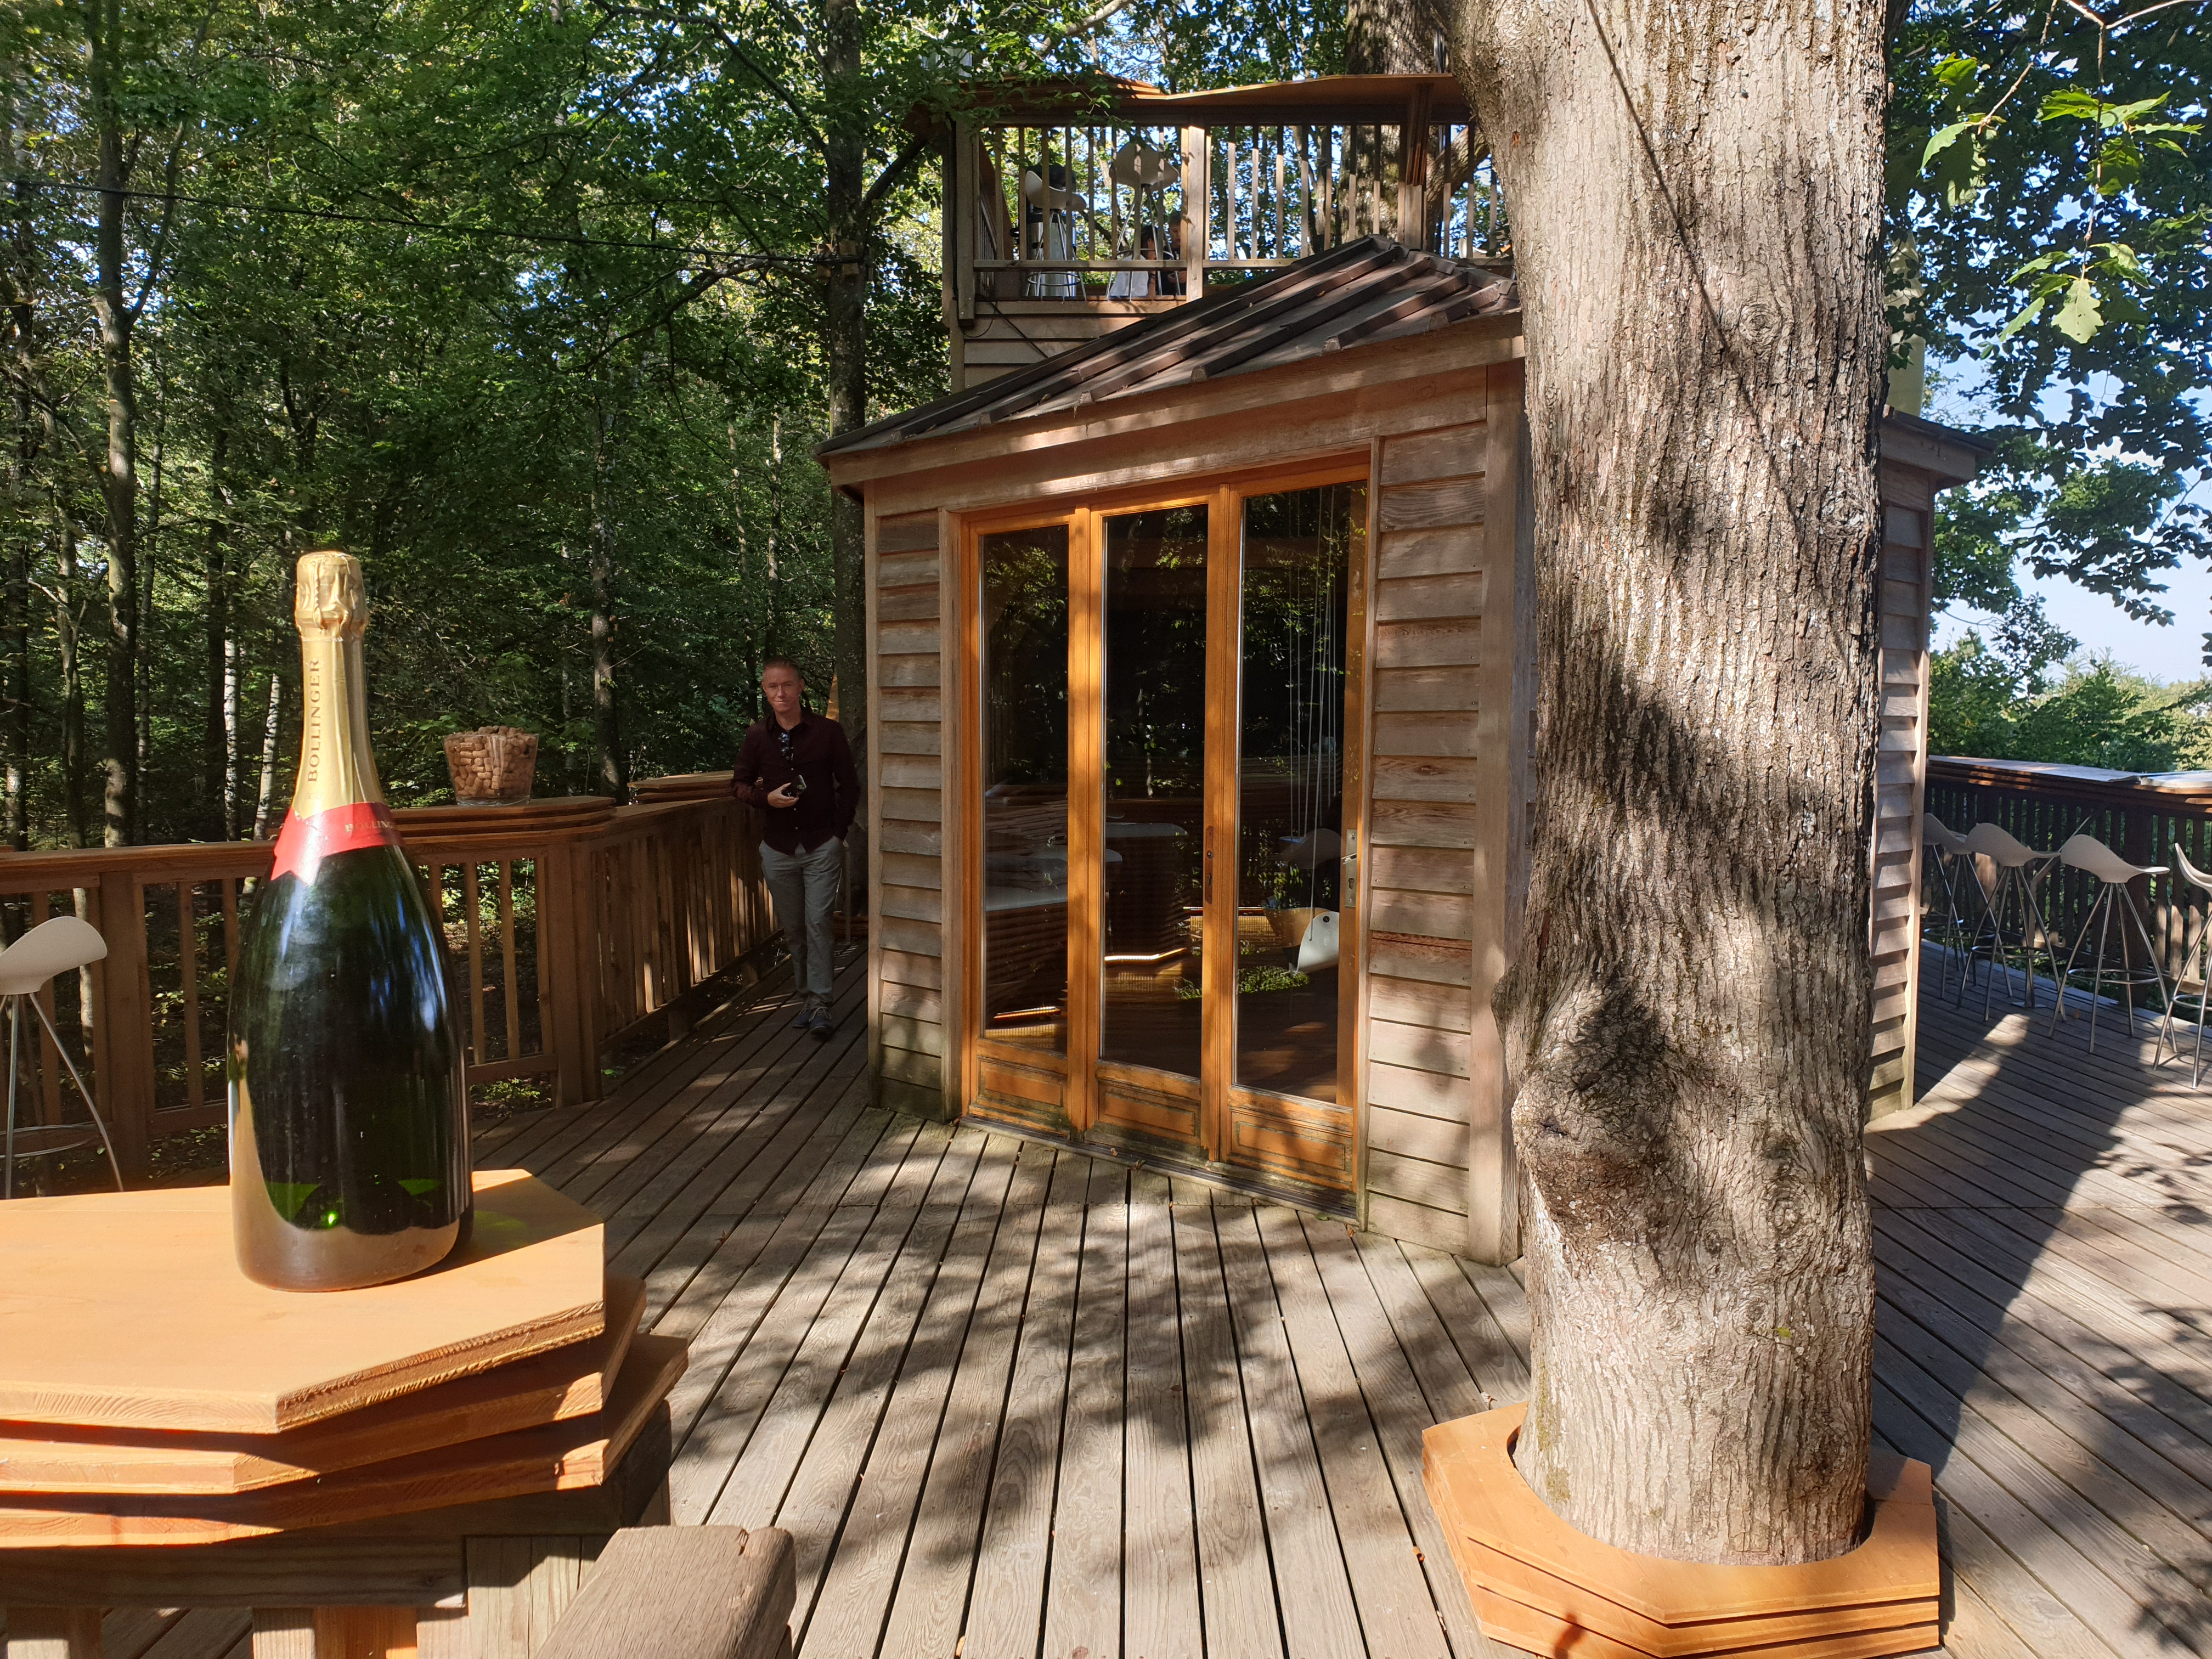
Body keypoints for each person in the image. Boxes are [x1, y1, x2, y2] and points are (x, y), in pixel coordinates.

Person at [730, 658, 859, 1037]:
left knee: (818, 921)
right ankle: (806, 997)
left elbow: (850, 785)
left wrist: (838, 834)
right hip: (778, 847)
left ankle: (820, 1004)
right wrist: (765, 799)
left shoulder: (828, 732)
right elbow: (738, 785)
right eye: (773, 687)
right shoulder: (757, 735)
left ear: (801, 687)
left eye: (787, 685)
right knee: (794, 928)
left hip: (821, 844)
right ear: (765, 690)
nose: (781, 693)